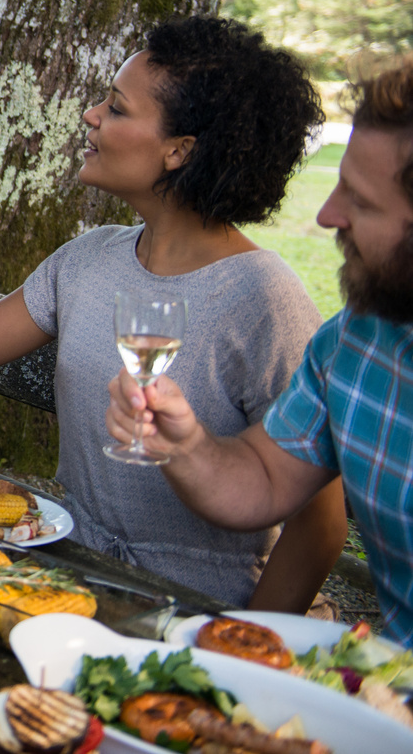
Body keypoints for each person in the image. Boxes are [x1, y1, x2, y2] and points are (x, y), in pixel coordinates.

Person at [0, 16, 346, 609]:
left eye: (118, 109)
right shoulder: (88, 258)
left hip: (197, 607)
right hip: (64, 577)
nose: (91, 116)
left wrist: (244, 650)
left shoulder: (263, 299)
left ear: (180, 150)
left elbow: (321, 522)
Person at [106, 58, 413, 641]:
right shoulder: (353, 341)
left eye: (363, 203)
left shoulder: (269, 295)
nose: (327, 216)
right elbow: (266, 479)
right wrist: (187, 445)